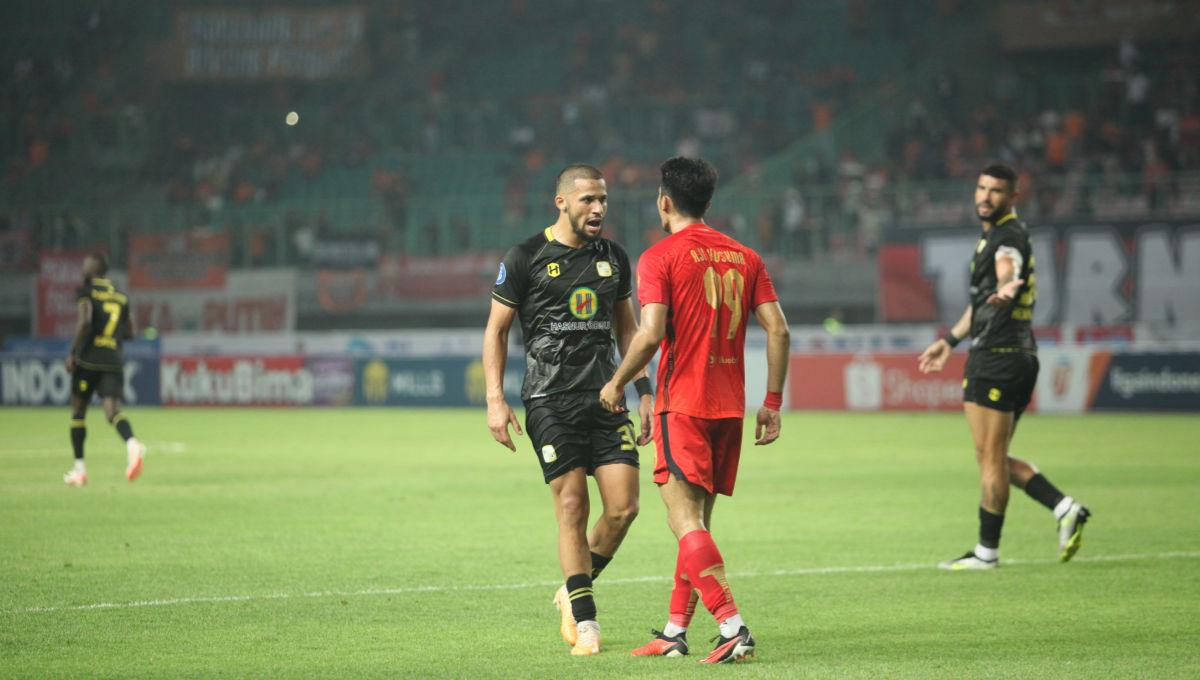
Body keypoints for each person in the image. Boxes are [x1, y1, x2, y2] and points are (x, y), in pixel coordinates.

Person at [599, 157, 790, 664]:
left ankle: (733, 627)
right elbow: (780, 329)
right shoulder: (745, 256)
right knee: (696, 525)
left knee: (684, 522)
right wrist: (771, 403)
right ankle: (674, 631)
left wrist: (618, 381)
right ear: (707, 201)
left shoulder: (659, 256)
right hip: (729, 408)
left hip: (682, 404)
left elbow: (652, 332)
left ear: (665, 201)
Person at [482, 164, 653, 656]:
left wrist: (644, 392)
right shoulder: (525, 257)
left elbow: (628, 331)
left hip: (606, 396)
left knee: (624, 508)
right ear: (562, 203)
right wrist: (496, 401)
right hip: (548, 399)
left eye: (603, 200)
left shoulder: (614, 258)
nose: (598, 208)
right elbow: (495, 331)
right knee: (573, 504)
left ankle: (571, 587)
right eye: (587, 201)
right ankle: (586, 618)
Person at [918, 163, 1090, 570]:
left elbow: (1008, 270)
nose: (985, 196)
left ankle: (986, 552)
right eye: (981, 188)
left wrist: (1008, 285)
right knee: (992, 455)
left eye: (996, 191)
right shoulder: (995, 235)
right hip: (1009, 354)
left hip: (998, 357)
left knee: (991, 458)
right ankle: (1065, 507)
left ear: (1013, 197)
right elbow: (979, 303)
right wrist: (949, 341)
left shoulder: (1007, 236)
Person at [64, 253, 146, 486]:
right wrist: (111, 337)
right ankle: (132, 443)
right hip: (113, 359)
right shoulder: (121, 297)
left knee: (78, 411)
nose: (82, 268)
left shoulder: (86, 292)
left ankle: (79, 469)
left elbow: (85, 322)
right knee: (112, 411)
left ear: (94, 269)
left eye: (85, 265)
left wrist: (72, 352)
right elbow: (130, 331)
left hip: (89, 360)